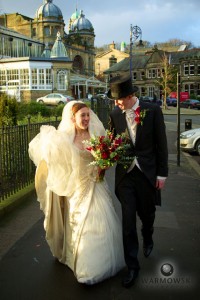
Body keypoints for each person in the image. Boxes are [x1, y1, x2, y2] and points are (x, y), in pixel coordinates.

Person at [28, 101, 125, 285]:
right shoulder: (66, 138)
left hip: (97, 185)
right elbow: (57, 161)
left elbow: (105, 159)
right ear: (73, 118)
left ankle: (104, 263)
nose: (87, 118)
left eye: (88, 115)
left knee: (102, 223)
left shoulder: (96, 134)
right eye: (83, 115)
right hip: (78, 189)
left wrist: (105, 163)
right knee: (83, 226)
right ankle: (86, 268)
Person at [108, 74, 168, 288]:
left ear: (131, 96)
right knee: (127, 222)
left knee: (147, 214)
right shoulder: (115, 113)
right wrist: (105, 153)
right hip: (125, 176)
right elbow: (113, 140)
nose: (117, 103)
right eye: (115, 100)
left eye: (120, 99)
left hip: (147, 174)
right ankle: (132, 266)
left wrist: (162, 174)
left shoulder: (153, 111)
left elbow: (162, 144)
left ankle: (148, 234)